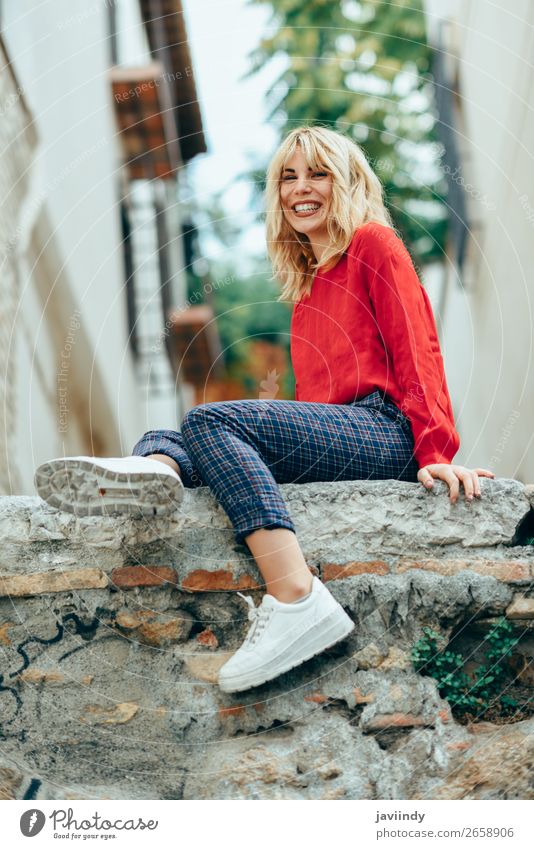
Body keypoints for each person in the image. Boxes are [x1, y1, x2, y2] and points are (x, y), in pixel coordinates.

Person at [34, 125, 494, 694]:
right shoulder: (307, 294)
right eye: (287, 177)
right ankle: (159, 472)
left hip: (386, 431)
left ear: (347, 182)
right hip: (346, 435)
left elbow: (416, 345)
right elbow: (317, 412)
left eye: (318, 173)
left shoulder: (374, 243)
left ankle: (296, 598)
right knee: (171, 436)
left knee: (212, 419)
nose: (301, 188)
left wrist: (435, 449)